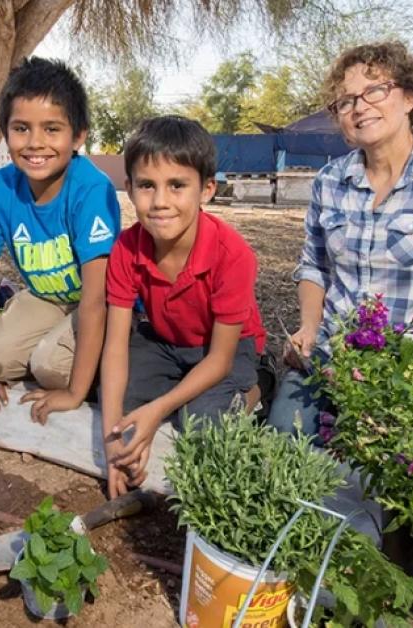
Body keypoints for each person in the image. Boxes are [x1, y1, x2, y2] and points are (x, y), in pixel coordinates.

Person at [268, 40, 413, 439]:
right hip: (331, 356)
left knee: (376, 477)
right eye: (345, 101)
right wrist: (308, 328)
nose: (359, 107)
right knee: (283, 443)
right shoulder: (331, 181)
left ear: (409, 96)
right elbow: (314, 267)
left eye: (374, 91)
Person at [100, 116, 267, 498]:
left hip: (225, 347)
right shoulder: (126, 248)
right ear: (129, 188)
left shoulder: (232, 254)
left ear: (206, 189)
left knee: (200, 421)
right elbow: (114, 349)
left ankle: (257, 388)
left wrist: (158, 409)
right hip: (164, 341)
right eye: (146, 185)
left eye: (177, 185)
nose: (160, 202)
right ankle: (175, 391)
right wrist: (113, 445)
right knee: (120, 405)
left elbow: (220, 360)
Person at [0, 57, 121, 420]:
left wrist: (76, 393)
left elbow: (97, 300)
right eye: (21, 128)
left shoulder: (91, 189)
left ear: (78, 135)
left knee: (49, 368)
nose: (35, 143)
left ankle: (99, 364)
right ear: (4, 132)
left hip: (98, 302)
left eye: (51, 129)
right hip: (48, 296)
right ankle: (45, 337)